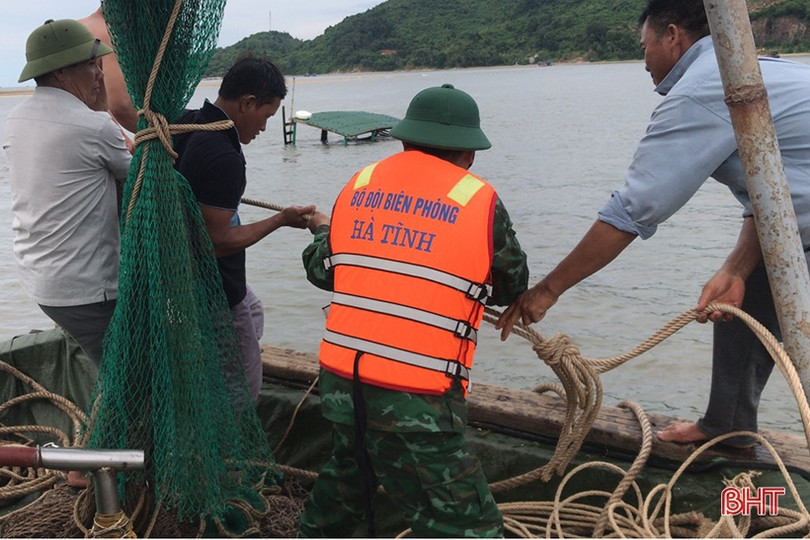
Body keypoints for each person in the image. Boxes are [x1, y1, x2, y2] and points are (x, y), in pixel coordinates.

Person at [496, 0, 810, 449]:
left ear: (673, 36)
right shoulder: (752, 73)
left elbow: (631, 211)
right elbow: (778, 196)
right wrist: (736, 268)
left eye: (645, 46)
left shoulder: (703, 91)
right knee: (739, 297)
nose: (644, 61)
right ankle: (728, 428)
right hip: (798, 230)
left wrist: (546, 291)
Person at [297, 84, 529, 537]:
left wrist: (322, 230)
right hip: (416, 398)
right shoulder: (478, 199)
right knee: (468, 527)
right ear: (470, 153)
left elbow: (322, 270)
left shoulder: (360, 184)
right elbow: (510, 285)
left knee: (345, 491)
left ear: (404, 141)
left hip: (343, 386)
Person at [173, 57, 316, 403]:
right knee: (244, 387)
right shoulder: (224, 156)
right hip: (214, 290)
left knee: (254, 309)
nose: (264, 128)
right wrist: (281, 220)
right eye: (266, 116)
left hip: (186, 276)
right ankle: (230, 432)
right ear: (248, 102)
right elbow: (215, 243)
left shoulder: (187, 122)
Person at [4, 19, 133, 367]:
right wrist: (103, 110)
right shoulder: (94, 125)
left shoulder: (15, 119)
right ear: (60, 72)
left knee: (114, 367)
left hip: (40, 280)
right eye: (91, 64)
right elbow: (139, 176)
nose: (100, 74)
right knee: (130, 376)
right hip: (86, 289)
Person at [79, 5, 139, 135]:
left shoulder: (78, 27)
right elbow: (122, 106)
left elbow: (97, 104)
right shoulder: (109, 33)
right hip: (87, 135)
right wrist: (164, 136)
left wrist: (124, 138)